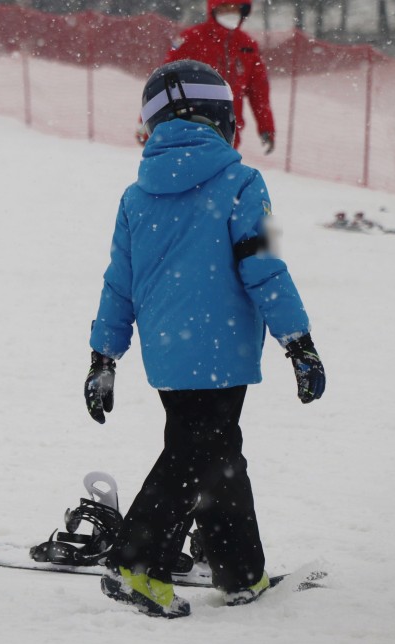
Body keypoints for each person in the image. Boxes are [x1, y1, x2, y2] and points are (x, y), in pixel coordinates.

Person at [85, 60, 325, 618]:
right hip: (222, 352)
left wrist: (104, 357)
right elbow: (264, 268)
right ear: (223, 118)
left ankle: (240, 570)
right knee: (195, 453)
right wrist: (299, 343)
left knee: (217, 453)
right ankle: (135, 563)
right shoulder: (241, 183)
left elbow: (118, 284)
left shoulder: (136, 196)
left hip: (168, 352)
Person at [160, 0, 275, 153]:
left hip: (229, 134)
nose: (230, 13)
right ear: (213, 9)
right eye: (225, 8)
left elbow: (259, 93)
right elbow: (164, 81)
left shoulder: (248, 46)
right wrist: (146, 123)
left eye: (235, 8)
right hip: (188, 129)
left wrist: (266, 128)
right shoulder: (191, 38)